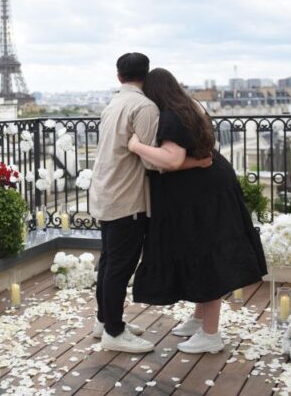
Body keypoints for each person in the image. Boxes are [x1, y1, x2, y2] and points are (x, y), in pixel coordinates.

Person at [128, 67, 267, 354]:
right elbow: (197, 154)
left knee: (205, 256)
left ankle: (210, 334)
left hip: (200, 195)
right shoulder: (191, 106)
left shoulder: (169, 116)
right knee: (205, 251)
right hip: (214, 186)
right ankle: (199, 319)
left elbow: (172, 159)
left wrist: (137, 145)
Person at [89, 53, 211, 354]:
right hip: (127, 197)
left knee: (108, 262)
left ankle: (105, 321)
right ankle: (114, 332)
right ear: (147, 75)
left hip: (105, 191)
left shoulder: (113, 104)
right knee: (120, 265)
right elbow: (153, 162)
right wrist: (193, 162)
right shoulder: (144, 107)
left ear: (119, 76)